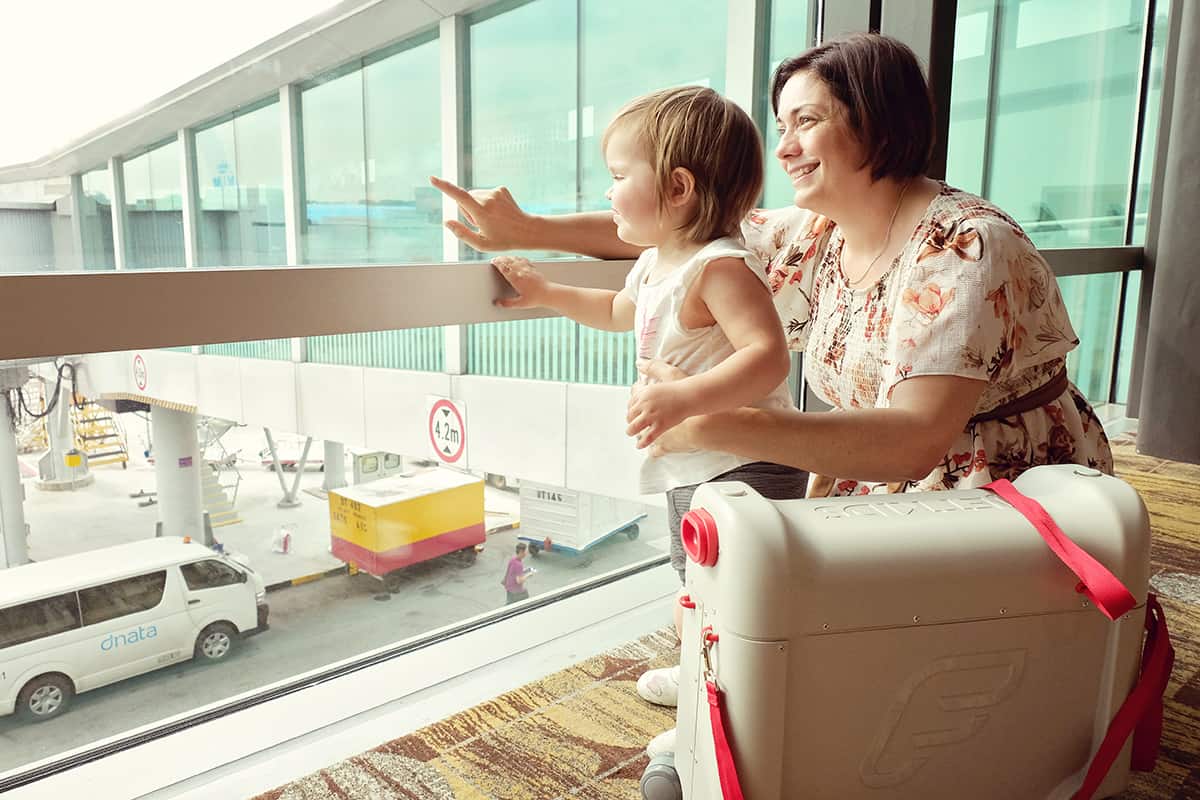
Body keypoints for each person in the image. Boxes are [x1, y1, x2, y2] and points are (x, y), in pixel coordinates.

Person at [435, 32, 1112, 755]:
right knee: (773, 610)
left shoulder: (964, 246)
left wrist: (716, 424)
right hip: (868, 477)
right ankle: (727, 685)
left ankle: (731, 712)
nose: (784, 147)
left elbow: (916, 441)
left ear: (879, 121)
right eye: (781, 124)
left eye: (808, 122)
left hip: (992, 491)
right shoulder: (816, 232)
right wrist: (527, 230)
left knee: (888, 691)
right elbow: (678, 225)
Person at [476, 85, 810, 753]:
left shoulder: (720, 267)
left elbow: (768, 358)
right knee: (695, 577)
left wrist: (686, 397)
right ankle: (703, 679)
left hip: (747, 463)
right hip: (695, 461)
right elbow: (613, 313)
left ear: (679, 187)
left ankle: (726, 715)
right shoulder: (658, 264)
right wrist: (544, 293)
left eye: (619, 176)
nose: (608, 193)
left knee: (733, 590)